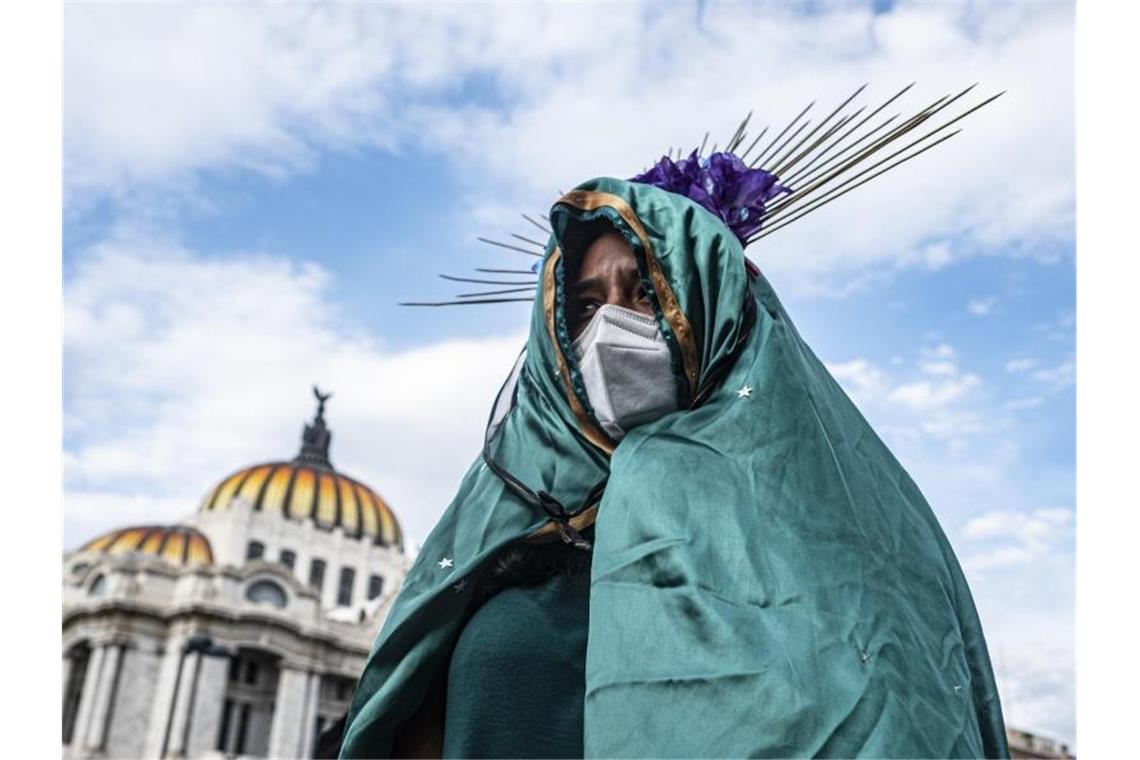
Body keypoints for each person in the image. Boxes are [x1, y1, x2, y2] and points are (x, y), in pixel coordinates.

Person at [338, 162, 1010, 758]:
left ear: (710, 307)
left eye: (646, 294)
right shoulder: (496, 542)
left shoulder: (838, 543)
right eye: (586, 305)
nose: (612, 328)